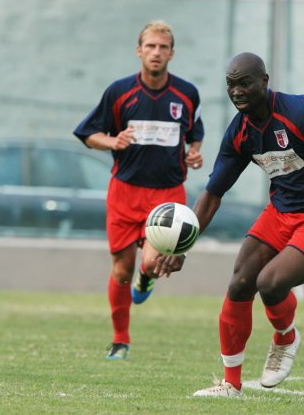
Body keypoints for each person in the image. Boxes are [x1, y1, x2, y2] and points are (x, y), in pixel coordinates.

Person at [154, 52, 304, 396]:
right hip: (280, 212)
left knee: (269, 282)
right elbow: (212, 194)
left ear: (264, 82)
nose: (236, 92)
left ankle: (286, 337)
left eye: (245, 83)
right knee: (240, 283)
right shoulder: (239, 133)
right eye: (230, 85)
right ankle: (230, 384)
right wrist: (182, 247)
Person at [73, 20, 204, 360]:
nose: (156, 52)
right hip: (125, 192)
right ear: (139, 50)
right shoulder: (119, 92)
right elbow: (88, 134)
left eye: (163, 47)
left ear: (171, 53)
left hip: (167, 194)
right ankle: (120, 340)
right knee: (120, 269)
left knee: (152, 260)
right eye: (150, 46)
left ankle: (146, 279)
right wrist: (111, 140)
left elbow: (195, 133)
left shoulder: (187, 94)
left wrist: (194, 152)